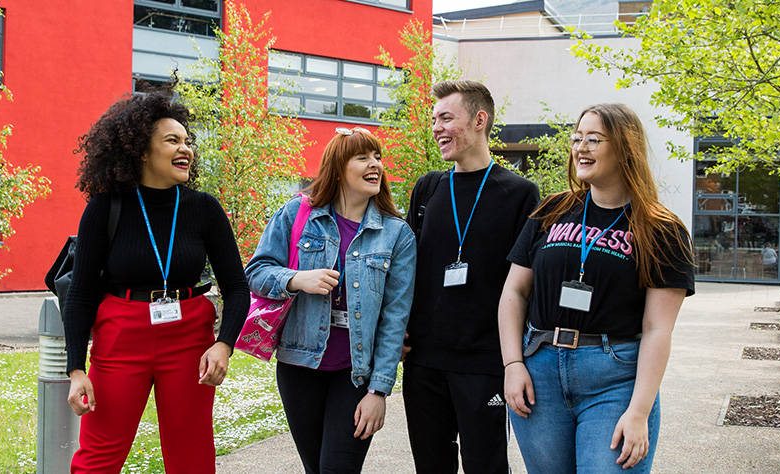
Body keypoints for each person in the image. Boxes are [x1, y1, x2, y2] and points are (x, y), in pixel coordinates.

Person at [498, 103, 695, 473]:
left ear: (624, 148)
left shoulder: (662, 230)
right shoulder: (550, 211)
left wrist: (638, 411)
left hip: (614, 378)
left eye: (594, 139)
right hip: (539, 372)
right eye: (576, 138)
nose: (580, 148)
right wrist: (512, 363)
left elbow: (657, 329)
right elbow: (514, 293)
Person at [63, 92, 250, 473]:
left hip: (189, 340)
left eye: (187, 141)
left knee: (192, 458)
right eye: (172, 141)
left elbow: (237, 287)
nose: (186, 149)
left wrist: (224, 345)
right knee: (98, 457)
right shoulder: (106, 207)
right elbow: (81, 293)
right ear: (142, 151)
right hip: (121, 334)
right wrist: (76, 370)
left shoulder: (204, 208)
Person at [245, 126, 416, 474]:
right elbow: (256, 272)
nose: (376, 165)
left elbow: (395, 317)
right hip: (299, 367)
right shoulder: (297, 214)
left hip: (355, 374)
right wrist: (295, 279)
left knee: (338, 468)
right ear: (338, 169)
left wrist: (379, 391)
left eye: (378, 157)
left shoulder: (397, 234)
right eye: (363, 157)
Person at [403, 80, 541, 474]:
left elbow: (526, 286)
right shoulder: (427, 188)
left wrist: (516, 358)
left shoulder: (520, 194)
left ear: (480, 120)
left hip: (485, 361)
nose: (436, 127)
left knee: (486, 466)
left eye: (446, 117)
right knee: (431, 466)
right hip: (424, 361)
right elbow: (408, 271)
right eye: (433, 119)